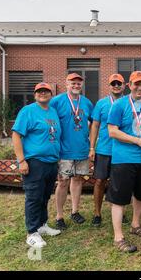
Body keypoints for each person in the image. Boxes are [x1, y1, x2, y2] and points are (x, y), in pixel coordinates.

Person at [107, 71, 141, 253]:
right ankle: (118, 237)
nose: (140, 87)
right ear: (129, 85)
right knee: (119, 199)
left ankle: (135, 225)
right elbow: (113, 131)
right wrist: (137, 141)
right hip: (123, 160)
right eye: (136, 84)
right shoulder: (119, 105)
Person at [12, 82, 62, 248]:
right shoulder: (28, 111)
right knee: (33, 197)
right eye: (39, 91)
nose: (43, 94)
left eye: (46, 91)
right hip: (35, 162)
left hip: (51, 162)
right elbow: (16, 135)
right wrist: (21, 160)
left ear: (50, 94)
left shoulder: (53, 112)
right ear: (35, 95)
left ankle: (42, 225)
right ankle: (31, 232)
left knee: (45, 195)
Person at [50, 73, 93, 230]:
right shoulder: (57, 101)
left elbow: (93, 123)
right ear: (66, 84)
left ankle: (75, 211)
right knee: (62, 182)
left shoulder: (87, 103)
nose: (76, 86)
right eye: (73, 83)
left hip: (82, 149)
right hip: (64, 151)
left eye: (78, 83)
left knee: (78, 180)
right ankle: (59, 215)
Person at [89, 74, 125, 227]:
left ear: (125, 85)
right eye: (113, 83)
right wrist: (92, 147)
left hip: (123, 149)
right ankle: (97, 213)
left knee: (119, 183)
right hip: (104, 149)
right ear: (109, 86)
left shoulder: (129, 102)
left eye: (119, 83)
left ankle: (118, 211)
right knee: (99, 181)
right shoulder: (101, 103)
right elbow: (95, 125)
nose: (116, 86)